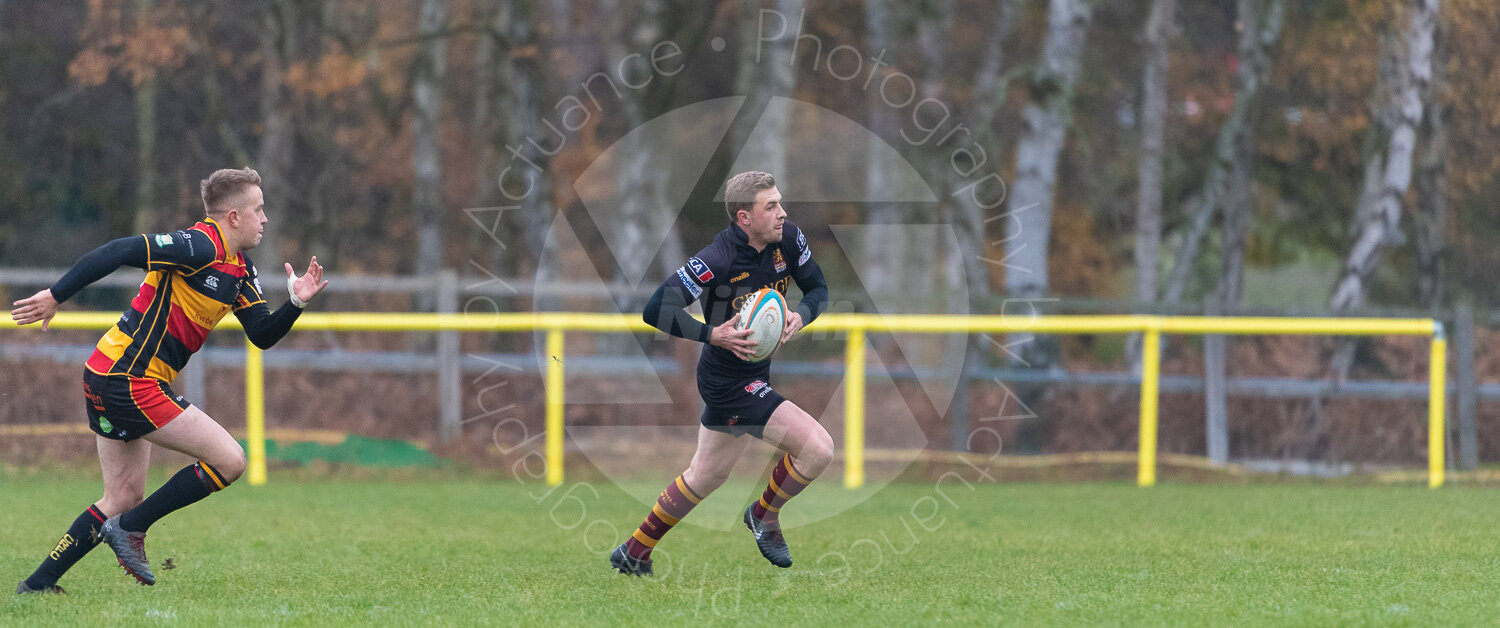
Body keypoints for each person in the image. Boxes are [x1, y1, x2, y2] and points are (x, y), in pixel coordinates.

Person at [10, 167, 327, 593]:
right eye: (258, 210)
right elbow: (119, 249)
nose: (265, 219)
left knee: (120, 496)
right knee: (230, 461)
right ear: (233, 216)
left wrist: (295, 303)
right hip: (127, 378)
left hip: (110, 373)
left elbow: (262, 335)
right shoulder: (199, 245)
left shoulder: (239, 269)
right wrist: (56, 295)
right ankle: (131, 529)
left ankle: (38, 584)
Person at [611, 171, 832, 576]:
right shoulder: (718, 258)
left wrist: (800, 315)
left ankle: (633, 551)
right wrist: (712, 334)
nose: (782, 213)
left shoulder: (789, 239)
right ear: (744, 217)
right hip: (730, 383)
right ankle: (763, 515)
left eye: (781, 203)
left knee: (705, 476)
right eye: (771, 207)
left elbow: (818, 289)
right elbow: (656, 308)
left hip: (753, 376)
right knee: (818, 448)